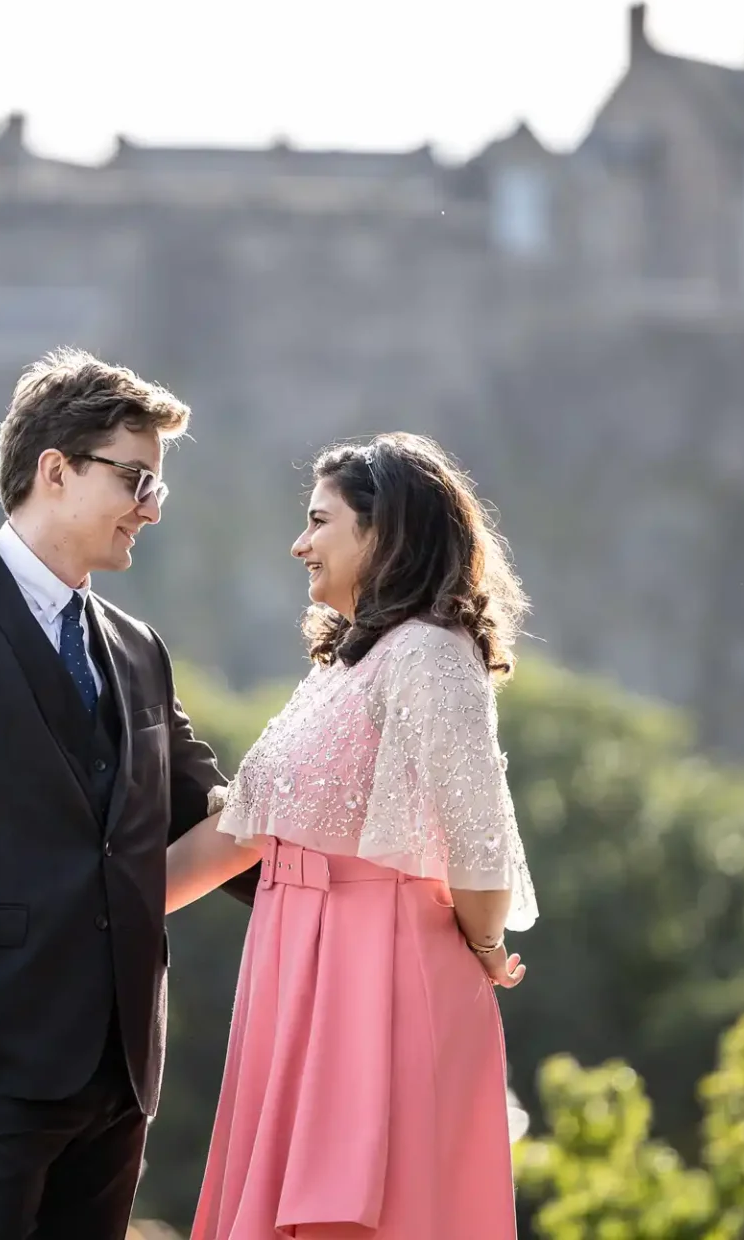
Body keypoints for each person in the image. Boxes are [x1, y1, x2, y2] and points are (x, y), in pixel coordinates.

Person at [0, 348, 257, 1240]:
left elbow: (216, 813)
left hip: (120, 1071)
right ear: (54, 471)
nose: (149, 507)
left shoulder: (140, 648)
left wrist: (375, 875)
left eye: (158, 488)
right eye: (135, 479)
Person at [166, 432, 537, 1240]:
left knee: (361, 1209)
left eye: (318, 521)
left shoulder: (433, 655)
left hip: (381, 973)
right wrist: (102, 906)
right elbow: (241, 831)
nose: (300, 544)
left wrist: (479, 948)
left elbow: (478, 842)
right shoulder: (341, 668)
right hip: (292, 962)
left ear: (384, 531)